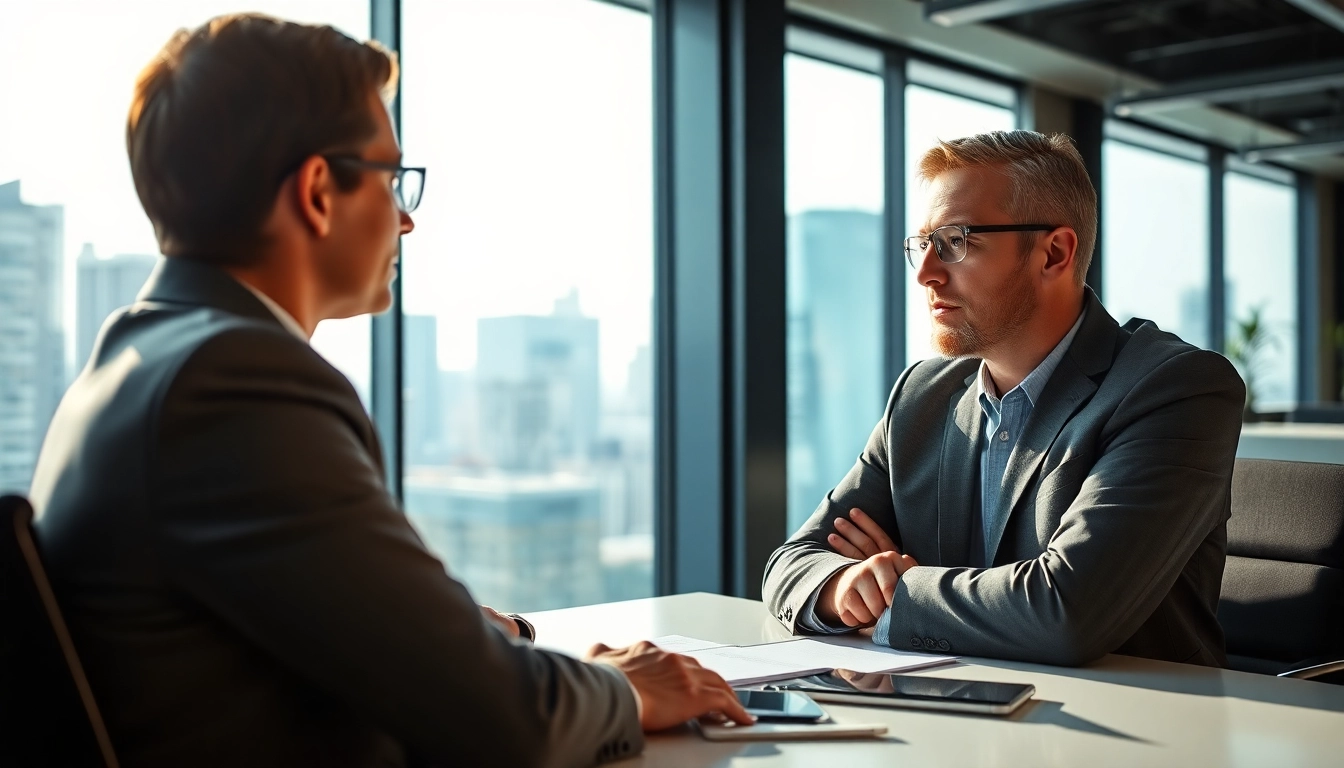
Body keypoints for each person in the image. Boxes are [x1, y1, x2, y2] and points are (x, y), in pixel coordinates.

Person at [29, 14, 750, 768]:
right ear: (317, 191)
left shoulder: (139, 358)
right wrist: (623, 686)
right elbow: (502, 722)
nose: (405, 219)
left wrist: (451, 633)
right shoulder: (237, 387)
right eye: (390, 178)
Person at [763, 130, 1244, 668]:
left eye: (956, 240)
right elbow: (792, 562)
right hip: (949, 719)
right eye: (921, 244)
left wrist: (903, 592)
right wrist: (847, 584)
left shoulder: (1175, 388)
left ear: (1054, 253)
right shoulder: (921, 396)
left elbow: (1065, 614)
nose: (925, 273)